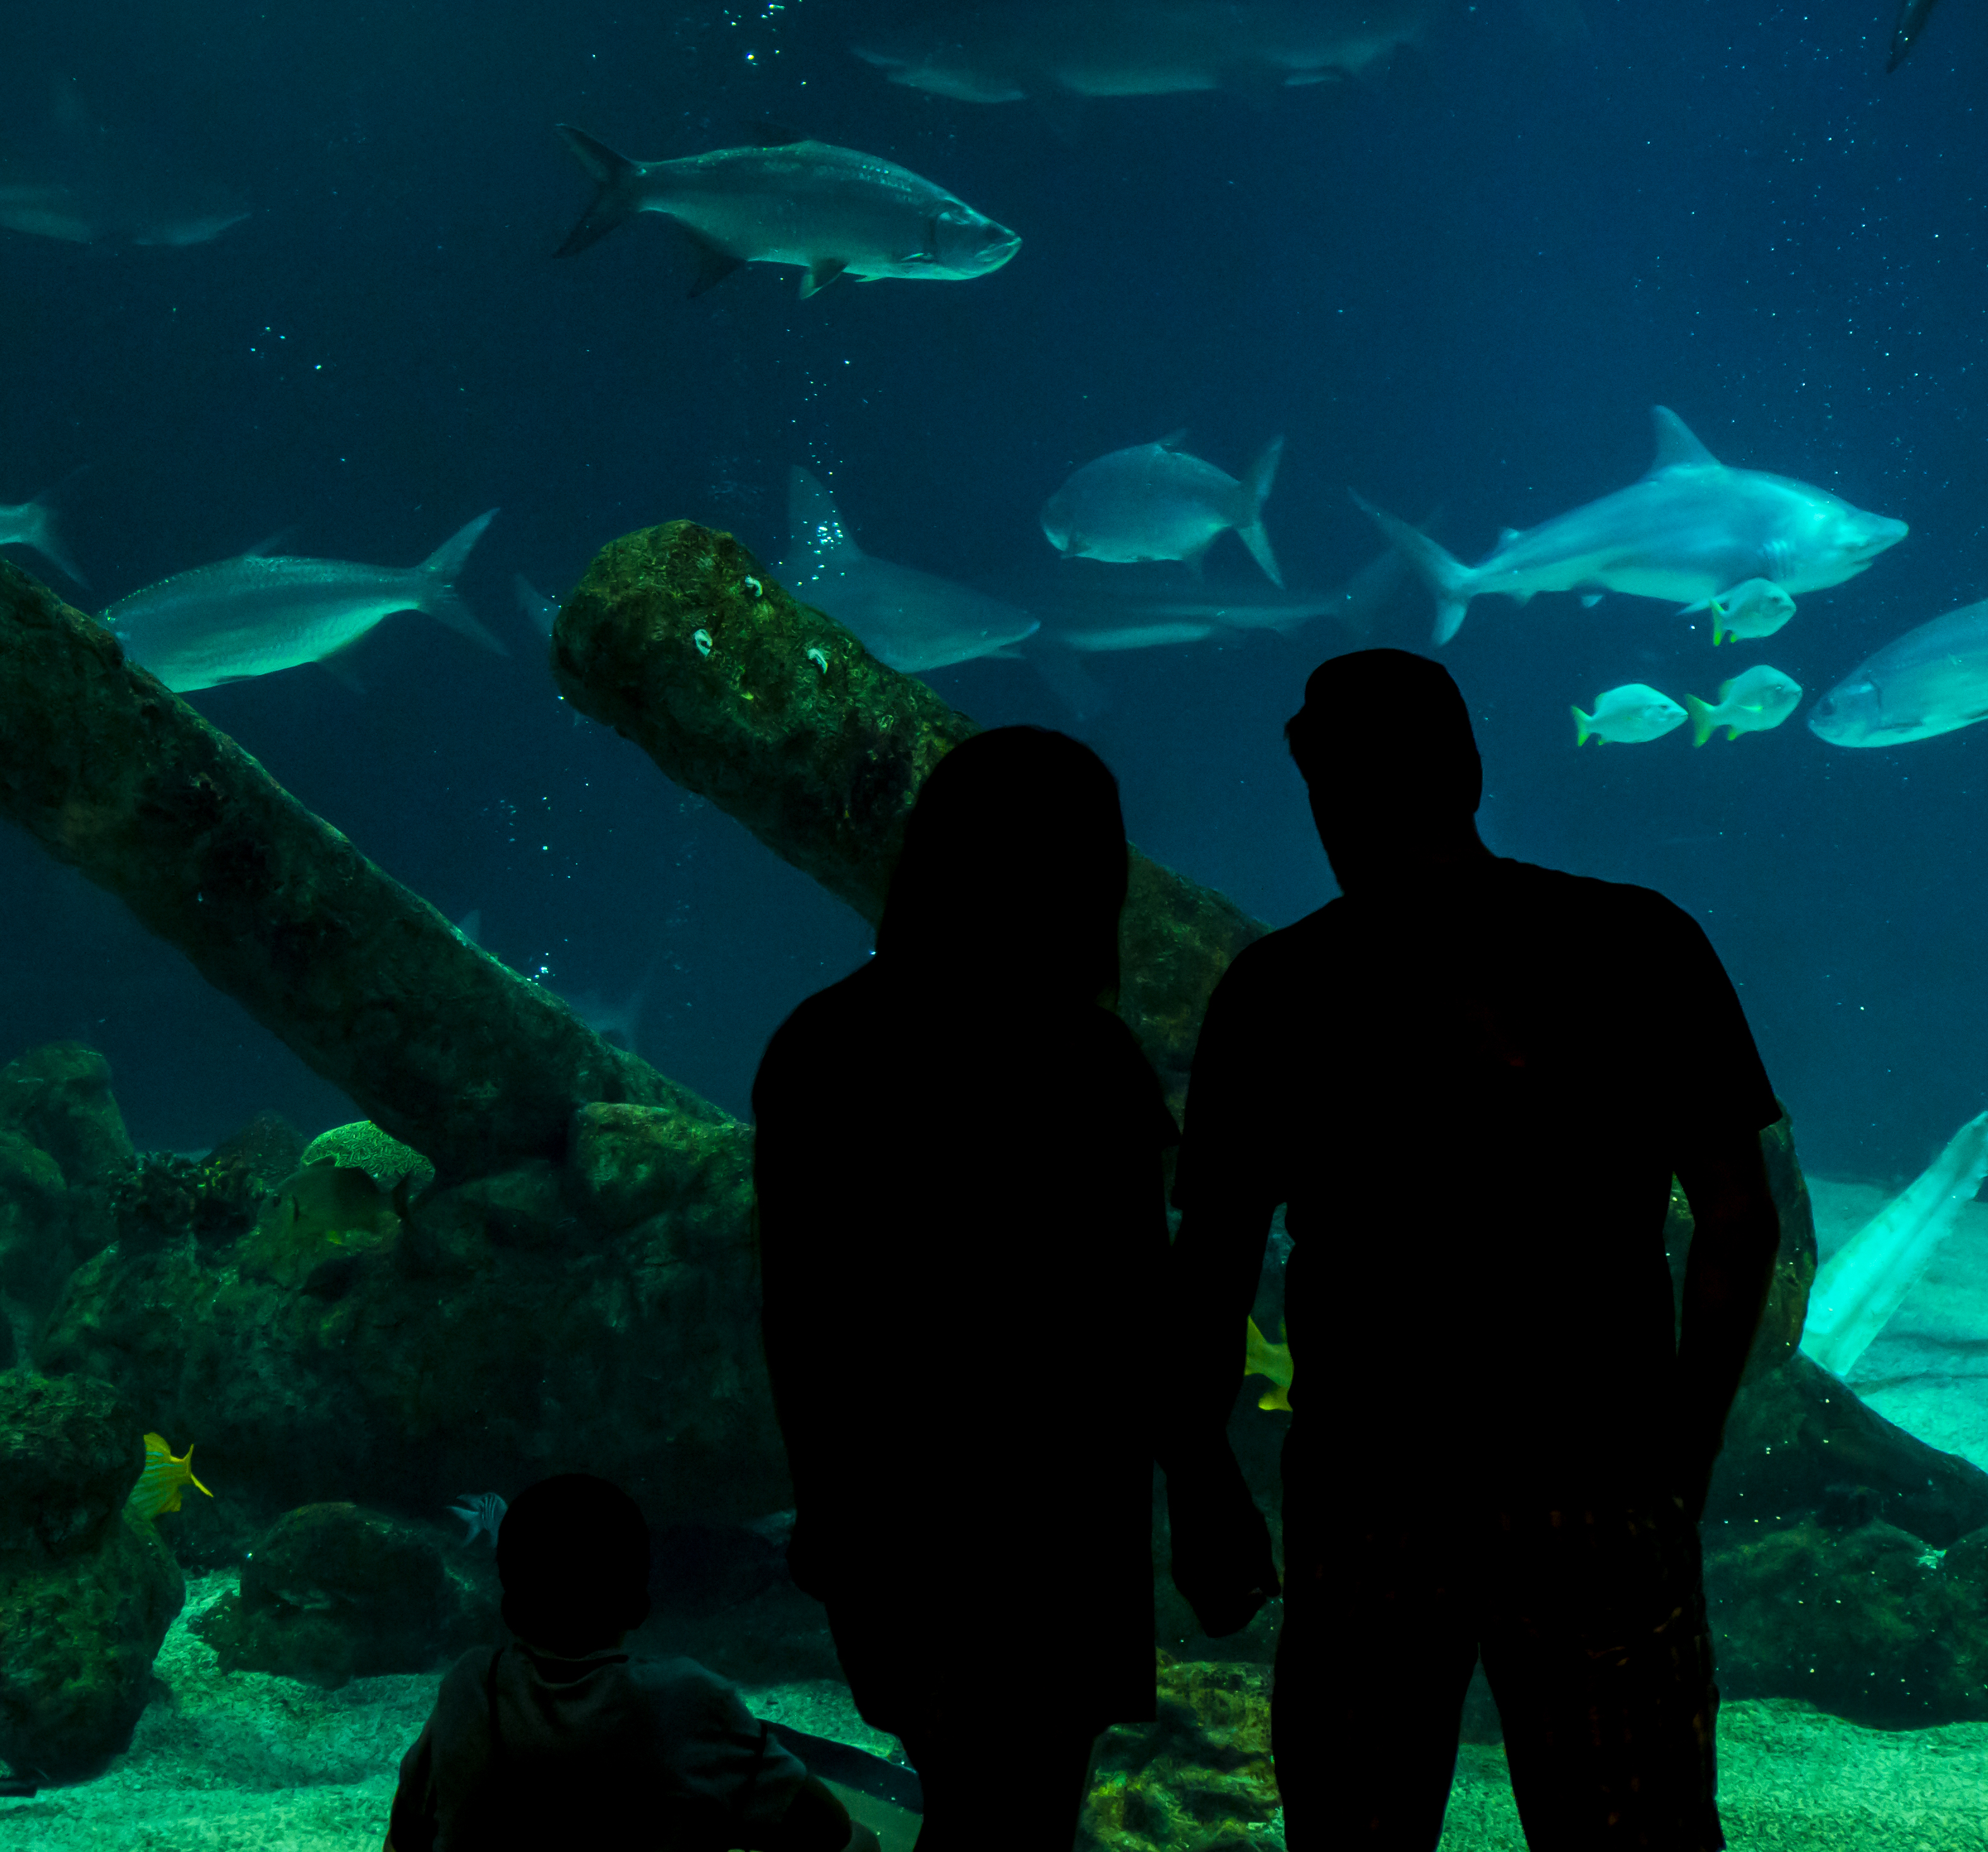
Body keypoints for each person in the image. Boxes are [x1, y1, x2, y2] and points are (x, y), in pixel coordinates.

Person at [1162, 649, 1785, 1851]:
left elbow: (1216, 1256)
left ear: (1321, 793)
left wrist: (1196, 1479)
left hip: (1370, 1482)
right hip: (1593, 1467)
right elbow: (1736, 1215)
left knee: (1355, 1817)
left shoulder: (1279, 988)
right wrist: (1680, 1449)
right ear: (1469, 774)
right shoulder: (1639, 939)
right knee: (1631, 1822)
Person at [752, 726, 1190, 1851]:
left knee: (967, 1794)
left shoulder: (818, 1046)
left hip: (888, 1508)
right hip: (1055, 1520)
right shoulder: (1092, 1065)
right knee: (1023, 1807)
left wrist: (827, 1519)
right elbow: (1143, 1314)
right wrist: (1198, 1489)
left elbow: (800, 1323)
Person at [385, 1473, 873, 1852]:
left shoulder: (470, 1684)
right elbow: (824, 1827)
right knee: (863, 1841)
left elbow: (406, 1833)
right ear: (641, 1605)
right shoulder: (686, 1698)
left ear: (509, 1608)